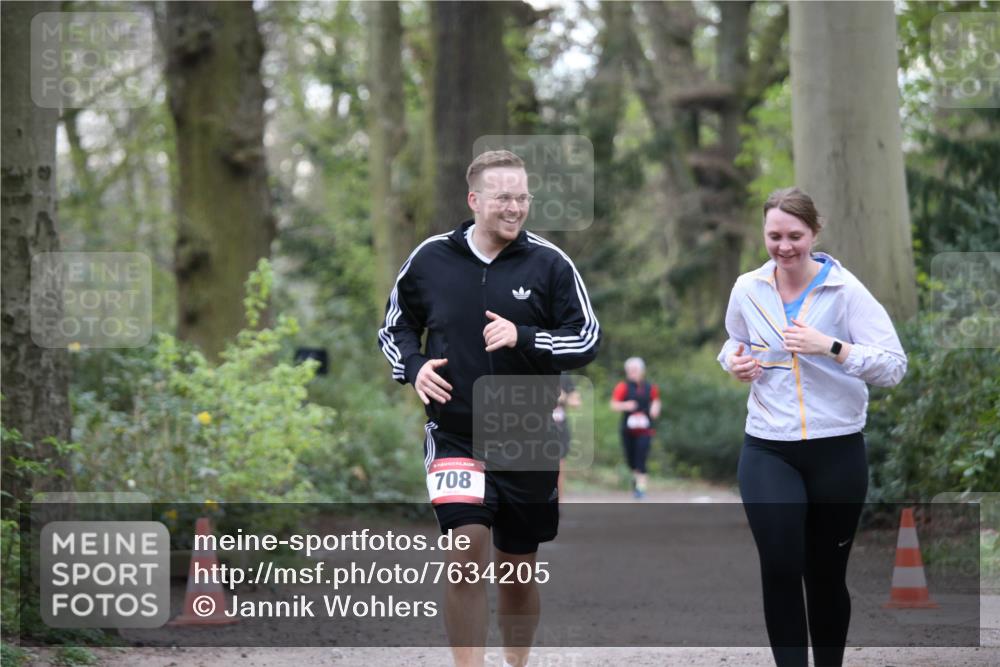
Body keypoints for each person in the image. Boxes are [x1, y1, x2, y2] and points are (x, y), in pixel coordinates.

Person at [377, 150, 600, 667]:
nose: (515, 207)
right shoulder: (430, 260)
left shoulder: (550, 263)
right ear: (474, 200)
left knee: (517, 569)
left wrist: (525, 336)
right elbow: (395, 327)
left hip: (526, 436)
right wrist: (413, 368)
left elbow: (586, 339)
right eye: (504, 197)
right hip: (455, 432)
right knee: (465, 550)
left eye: (522, 197)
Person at [717, 186, 907, 667]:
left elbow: (894, 366)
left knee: (824, 575)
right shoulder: (748, 288)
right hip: (768, 448)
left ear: (814, 232)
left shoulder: (845, 291)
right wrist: (734, 363)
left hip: (836, 449)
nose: (784, 247)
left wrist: (832, 347)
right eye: (774, 236)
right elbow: (733, 342)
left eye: (794, 236)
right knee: (780, 566)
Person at [610, 357, 661, 499]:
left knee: (641, 457)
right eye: (629, 370)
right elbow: (613, 404)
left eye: (635, 370)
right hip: (628, 429)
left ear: (642, 371)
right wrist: (626, 405)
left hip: (645, 429)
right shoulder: (623, 387)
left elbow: (656, 401)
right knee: (631, 459)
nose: (632, 373)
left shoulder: (650, 387)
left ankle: (641, 489)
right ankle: (636, 481)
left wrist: (655, 409)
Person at [551, 373, 582, 500]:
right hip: (534, 428)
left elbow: (576, 402)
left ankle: (557, 504)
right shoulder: (533, 369)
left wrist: (563, 397)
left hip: (559, 430)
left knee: (558, 469)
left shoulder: (563, 376)